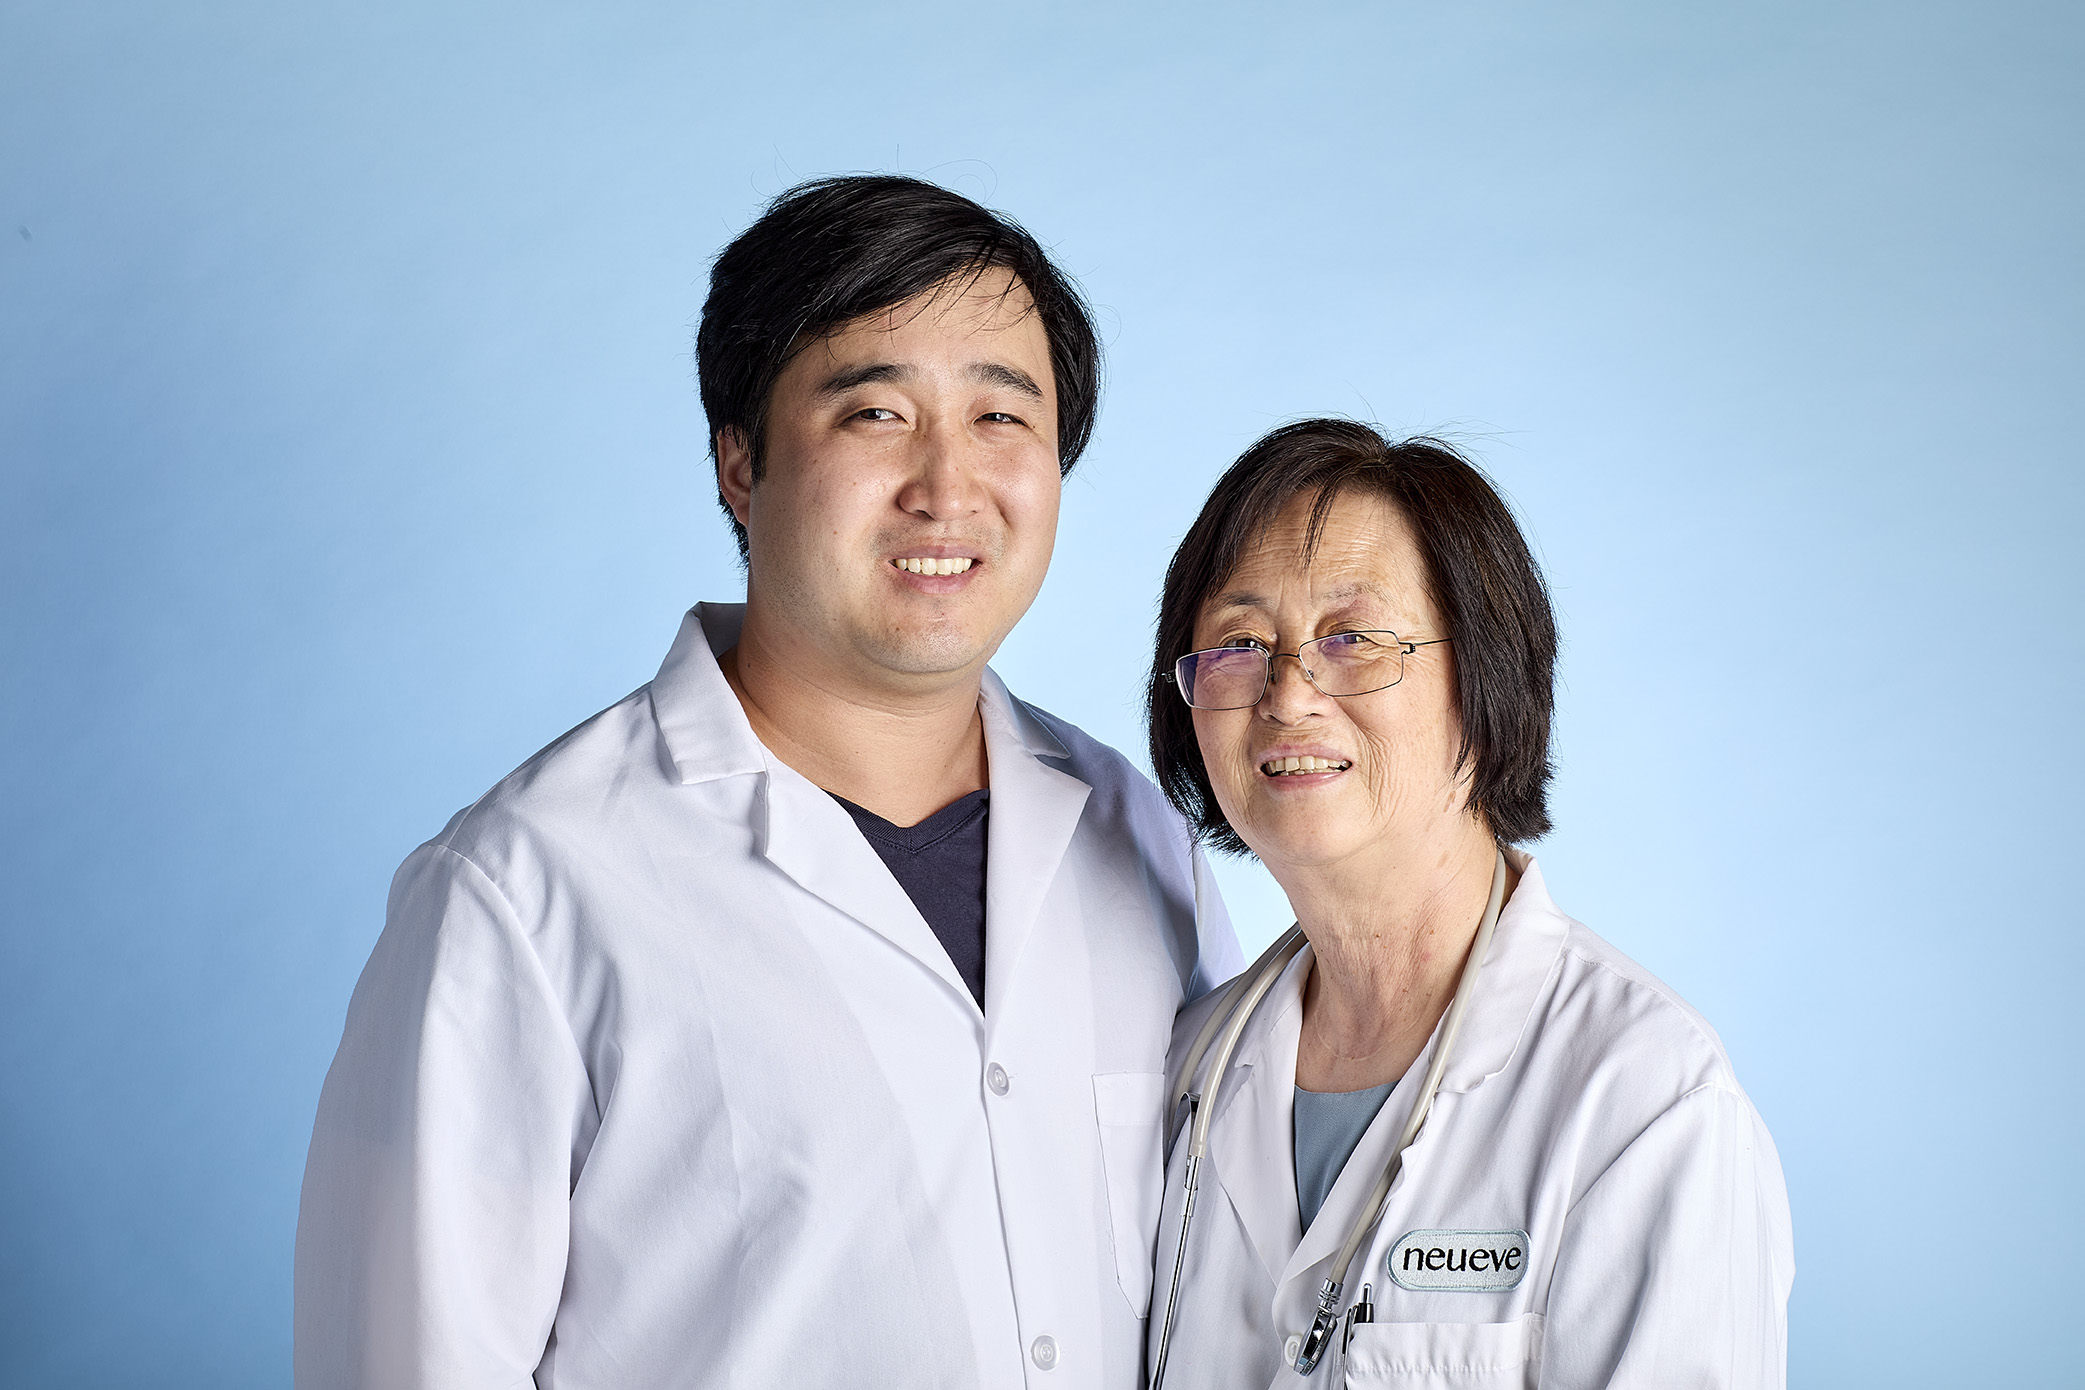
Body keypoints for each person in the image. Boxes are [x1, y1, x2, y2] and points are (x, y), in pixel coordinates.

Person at [294, 174, 1241, 1389]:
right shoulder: (523, 893)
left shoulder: (1139, 837)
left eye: (1002, 419)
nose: (946, 487)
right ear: (738, 464)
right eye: (875, 414)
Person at [1141, 421, 1792, 1388]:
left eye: (1352, 638)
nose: (1288, 694)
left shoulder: (1643, 1100)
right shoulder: (1189, 1063)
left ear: (1483, 683)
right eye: (1239, 643)